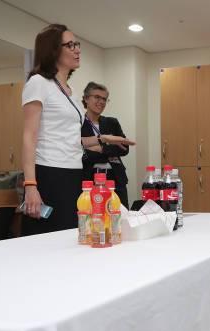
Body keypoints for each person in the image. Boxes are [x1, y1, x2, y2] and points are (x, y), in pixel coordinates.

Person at [21, 24, 133, 235]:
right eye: (70, 45)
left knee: (73, 236)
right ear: (53, 50)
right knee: (50, 241)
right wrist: (30, 185)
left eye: (77, 44)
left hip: (74, 173)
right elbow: (30, 136)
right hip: (49, 172)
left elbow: (71, 139)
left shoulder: (68, 91)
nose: (77, 49)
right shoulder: (38, 83)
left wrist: (103, 138)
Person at [81, 82, 130, 209]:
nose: (101, 102)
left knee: (120, 217)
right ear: (86, 98)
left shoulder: (112, 122)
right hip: (90, 179)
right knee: (94, 219)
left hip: (115, 178)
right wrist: (109, 147)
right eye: (97, 97)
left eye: (104, 99)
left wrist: (99, 148)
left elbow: (124, 148)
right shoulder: (78, 123)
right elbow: (80, 152)